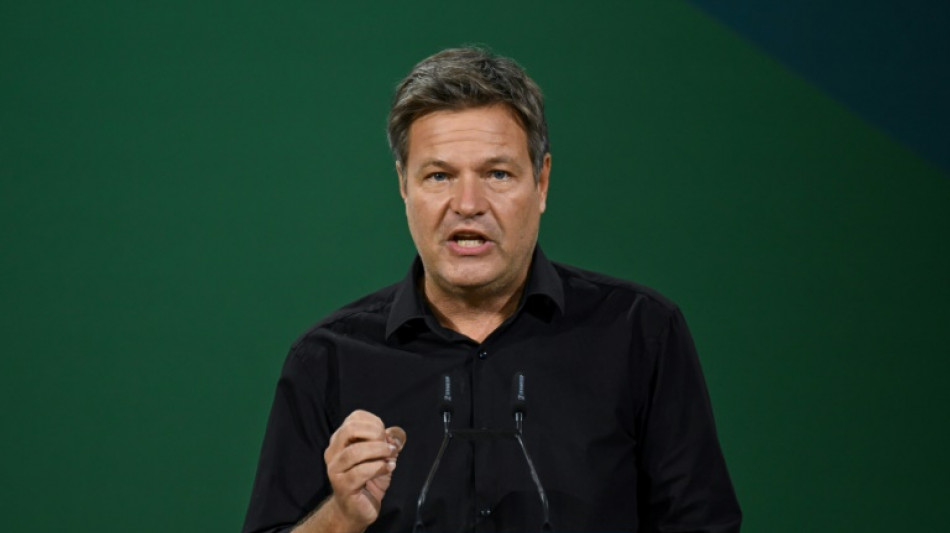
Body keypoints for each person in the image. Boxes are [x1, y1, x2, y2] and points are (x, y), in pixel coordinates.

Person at [243, 47, 741, 533]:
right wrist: (339, 520)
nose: (468, 203)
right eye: (439, 176)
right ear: (403, 186)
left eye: (497, 174)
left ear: (542, 182)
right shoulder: (327, 360)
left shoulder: (641, 334)